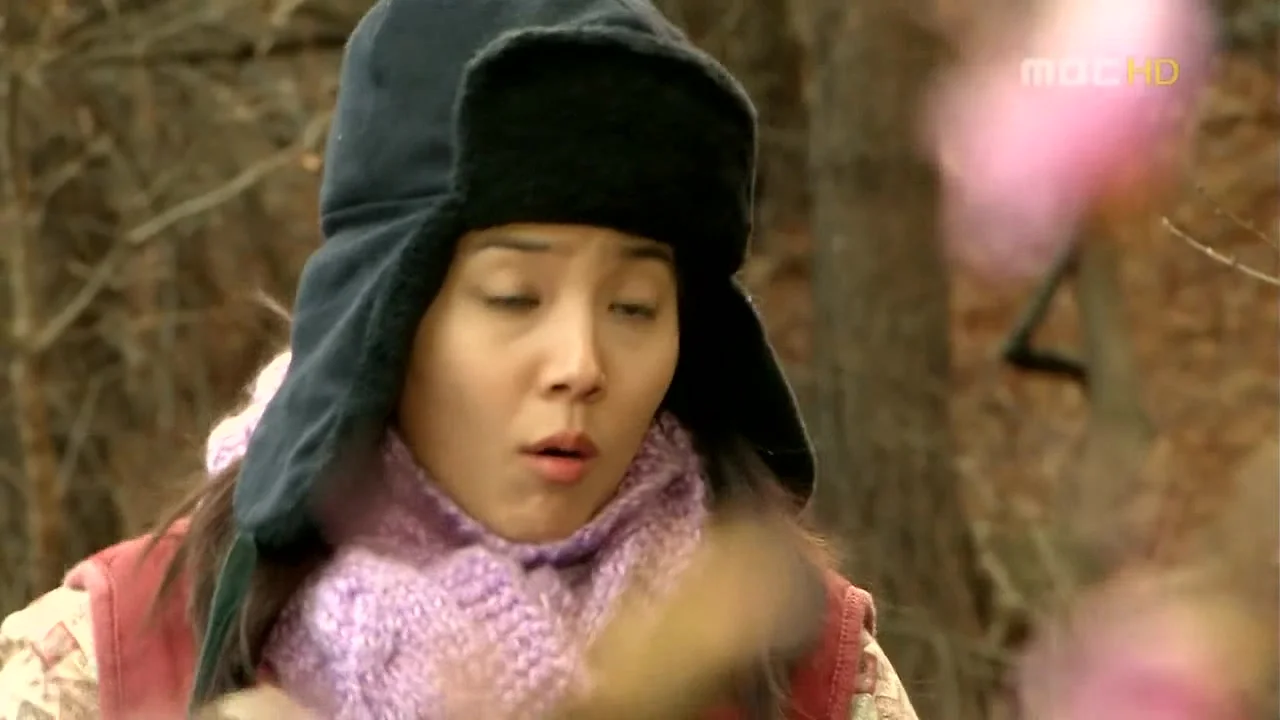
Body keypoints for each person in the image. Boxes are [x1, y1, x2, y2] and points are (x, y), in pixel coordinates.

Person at [0, 0, 921, 717]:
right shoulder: (108, 663)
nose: (580, 364)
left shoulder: (810, 674)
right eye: (514, 296)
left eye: (634, 307)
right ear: (387, 317)